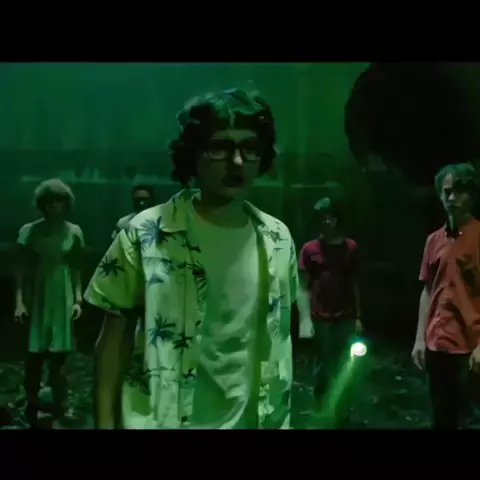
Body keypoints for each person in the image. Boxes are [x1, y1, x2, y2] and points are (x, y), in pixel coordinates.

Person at [84, 88, 300, 429]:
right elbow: (112, 344)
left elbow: (279, 340)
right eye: (220, 147)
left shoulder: (278, 239)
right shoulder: (147, 233)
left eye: (250, 148)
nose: (237, 162)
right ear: (193, 153)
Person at [412, 163, 480, 429]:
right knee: (441, 417)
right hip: (437, 344)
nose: (451, 198)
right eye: (446, 192)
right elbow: (428, 290)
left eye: (458, 192)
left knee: (471, 419)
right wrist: (420, 339)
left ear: (471, 195)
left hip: (469, 347)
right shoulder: (434, 240)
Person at [14, 178, 85, 426]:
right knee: (35, 354)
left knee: (60, 355)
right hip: (39, 292)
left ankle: (60, 403)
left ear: (66, 204)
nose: (53, 207)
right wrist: (19, 301)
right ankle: (32, 401)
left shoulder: (73, 232)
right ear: (42, 205)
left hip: (62, 292)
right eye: (49, 202)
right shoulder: (29, 231)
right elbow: (21, 269)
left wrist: (78, 299)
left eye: (58, 202)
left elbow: (76, 267)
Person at [297, 197, 361, 427]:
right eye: (322, 217)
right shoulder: (309, 249)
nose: (326, 221)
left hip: (345, 315)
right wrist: (305, 319)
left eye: (330, 217)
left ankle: (342, 409)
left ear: (337, 219)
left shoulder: (350, 248)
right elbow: (302, 286)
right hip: (320, 316)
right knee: (323, 364)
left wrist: (358, 316)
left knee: (344, 363)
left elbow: (355, 283)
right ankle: (321, 407)